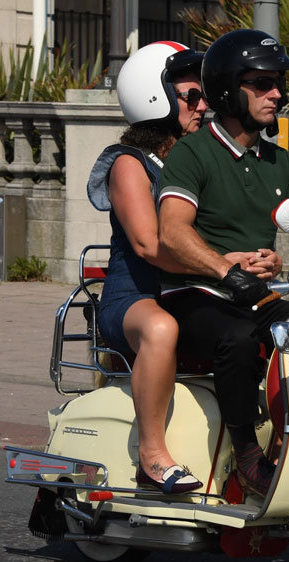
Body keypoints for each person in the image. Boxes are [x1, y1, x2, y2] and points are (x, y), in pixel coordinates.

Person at [158, 29, 289, 497]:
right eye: (261, 83)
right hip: (192, 296)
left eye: (278, 84)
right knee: (239, 338)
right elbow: (173, 231)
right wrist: (228, 270)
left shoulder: (279, 162)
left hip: (254, 295)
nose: (276, 93)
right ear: (228, 89)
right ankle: (247, 454)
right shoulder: (193, 153)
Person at [86, 41, 209, 494]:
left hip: (192, 293)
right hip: (133, 299)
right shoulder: (129, 165)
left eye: (205, 96)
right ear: (153, 96)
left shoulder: (199, 162)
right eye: (192, 96)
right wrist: (220, 264)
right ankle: (152, 456)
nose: (203, 106)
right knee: (160, 330)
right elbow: (148, 243)